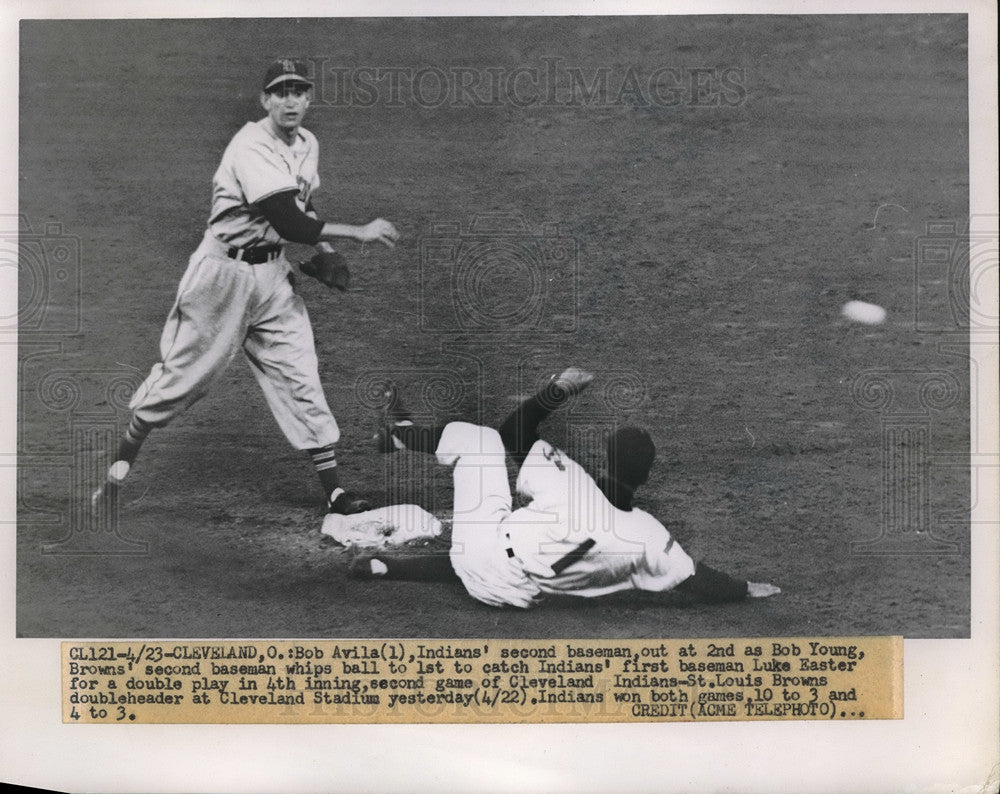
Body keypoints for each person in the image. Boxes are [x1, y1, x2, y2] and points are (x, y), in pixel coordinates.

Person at [92, 59, 399, 514]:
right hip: (221, 278)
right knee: (180, 384)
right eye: (280, 91)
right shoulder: (250, 145)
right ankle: (115, 478)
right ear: (265, 100)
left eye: (298, 90)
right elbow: (289, 220)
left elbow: (303, 203)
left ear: (309, 98)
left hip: (272, 277)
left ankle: (334, 491)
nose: (290, 99)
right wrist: (358, 232)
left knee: (300, 373)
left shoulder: (307, 142)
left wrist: (328, 255)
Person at [351, 368, 780, 608]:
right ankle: (386, 567)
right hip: (514, 593)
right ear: (647, 476)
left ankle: (400, 436)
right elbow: (696, 578)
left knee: (480, 443)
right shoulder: (650, 535)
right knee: (508, 545)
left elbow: (511, 433)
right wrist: (745, 589)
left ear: (606, 459)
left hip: (481, 555)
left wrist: (555, 392)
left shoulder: (571, 480)